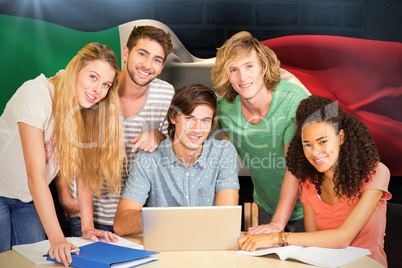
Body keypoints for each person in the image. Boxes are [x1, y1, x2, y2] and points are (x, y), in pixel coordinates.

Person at [0, 42, 124, 266]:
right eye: (93, 77)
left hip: (27, 200)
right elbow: (35, 175)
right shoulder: (35, 95)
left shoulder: (85, 107)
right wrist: (57, 239)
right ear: (76, 69)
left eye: (106, 84)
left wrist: (86, 227)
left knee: (34, 262)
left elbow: (83, 169)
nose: (98, 90)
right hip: (3, 190)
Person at [239, 95, 391, 267]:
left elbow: (343, 237)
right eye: (307, 144)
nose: (315, 152)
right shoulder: (309, 180)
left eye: (322, 142)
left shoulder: (376, 172)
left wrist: (277, 237)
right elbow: (313, 239)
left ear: (341, 137)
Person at [53, 25, 175, 234]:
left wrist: (158, 135)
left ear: (162, 66)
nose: (147, 65)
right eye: (142, 54)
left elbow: (171, 151)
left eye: (157, 60)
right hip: (84, 212)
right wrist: (65, 195)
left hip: (132, 216)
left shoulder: (165, 94)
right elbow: (61, 140)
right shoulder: (97, 87)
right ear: (126, 53)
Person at [211, 31, 308, 234]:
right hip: (265, 207)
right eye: (233, 69)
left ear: (263, 66)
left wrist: (277, 225)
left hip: (309, 210)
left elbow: (295, 168)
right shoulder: (226, 108)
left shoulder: (293, 100)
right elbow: (221, 153)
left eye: (249, 66)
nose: (242, 77)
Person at [113, 84, 240, 236]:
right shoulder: (149, 158)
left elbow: (225, 222)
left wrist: (179, 219)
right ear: (173, 117)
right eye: (189, 118)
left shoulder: (223, 154)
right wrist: (165, 218)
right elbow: (121, 224)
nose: (197, 129)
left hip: (208, 249)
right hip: (163, 251)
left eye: (205, 120)